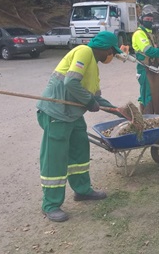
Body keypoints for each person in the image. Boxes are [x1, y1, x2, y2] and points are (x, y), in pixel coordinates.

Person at [36, 31, 124, 222]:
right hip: (56, 112)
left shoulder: (94, 68)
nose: (111, 55)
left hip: (73, 115)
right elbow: (70, 82)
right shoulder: (84, 51)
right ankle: (50, 205)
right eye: (111, 51)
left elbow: (96, 98)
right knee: (55, 159)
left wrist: (118, 110)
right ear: (104, 48)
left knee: (79, 152)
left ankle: (82, 190)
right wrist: (89, 101)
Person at [132, 4, 159, 115]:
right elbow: (148, 51)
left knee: (156, 94)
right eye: (147, 18)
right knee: (147, 95)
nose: (150, 21)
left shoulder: (149, 33)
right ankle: (147, 119)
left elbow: (153, 52)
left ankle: (157, 118)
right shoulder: (139, 34)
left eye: (151, 19)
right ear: (141, 19)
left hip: (152, 68)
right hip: (144, 69)